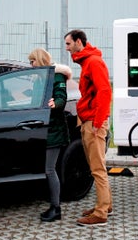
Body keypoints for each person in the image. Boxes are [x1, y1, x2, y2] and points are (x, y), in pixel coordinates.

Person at [64, 29, 113, 226]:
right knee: (97, 166)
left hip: (94, 122)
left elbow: (104, 91)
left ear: (78, 41)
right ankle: (105, 204)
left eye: (68, 44)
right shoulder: (88, 61)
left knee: (97, 168)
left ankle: (101, 213)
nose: (67, 48)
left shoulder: (93, 62)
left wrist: (98, 122)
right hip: (91, 120)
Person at [28, 48, 72, 223]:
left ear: (39, 60)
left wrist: (56, 104)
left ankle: (56, 208)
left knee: (49, 169)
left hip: (54, 129)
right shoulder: (40, 78)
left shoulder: (57, 77)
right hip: (43, 128)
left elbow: (61, 98)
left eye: (32, 61)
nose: (31, 65)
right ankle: (52, 204)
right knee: (46, 169)